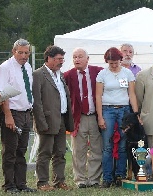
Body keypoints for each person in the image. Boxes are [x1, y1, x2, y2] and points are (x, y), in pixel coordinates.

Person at [0, 39, 36, 193]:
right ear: (14, 52)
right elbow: (2, 94)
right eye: (20, 52)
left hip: (26, 113)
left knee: (21, 150)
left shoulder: (28, 67)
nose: (24, 56)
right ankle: (9, 185)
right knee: (10, 151)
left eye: (26, 53)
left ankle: (21, 184)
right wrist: (8, 116)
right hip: (12, 113)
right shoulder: (5, 68)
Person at [96, 47, 139, 188]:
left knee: (122, 144)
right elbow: (98, 96)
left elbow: (132, 94)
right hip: (107, 109)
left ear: (120, 60)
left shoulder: (127, 74)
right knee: (107, 146)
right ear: (107, 62)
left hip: (124, 110)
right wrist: (100, 117)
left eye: (116, 63)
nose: (114, 66)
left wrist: (136, 114)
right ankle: (107, 177)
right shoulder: (102, 74)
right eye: (110, 63)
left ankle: (120, 175)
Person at [32, 45, 74, 191]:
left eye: (62, 59)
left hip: (62, 119)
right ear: (49, 58)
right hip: (47, 120)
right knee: (45, 153)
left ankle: (59, 181)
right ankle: (42, 182)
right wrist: (41, 122)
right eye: (58, 59)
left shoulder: (60, 75)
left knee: (60, 153)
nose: (61, 62)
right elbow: (36, 102)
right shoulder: (38, 74)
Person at [64, 48, 103, 188]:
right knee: (78, 150)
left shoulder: (98, 72)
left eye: (80, 57)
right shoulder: (68, 75)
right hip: (77, 117)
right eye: (74, 57)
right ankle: (80, 179)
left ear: (88, 58)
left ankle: (94, 179)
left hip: (94, 116)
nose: (77, 59)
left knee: (96, 149)